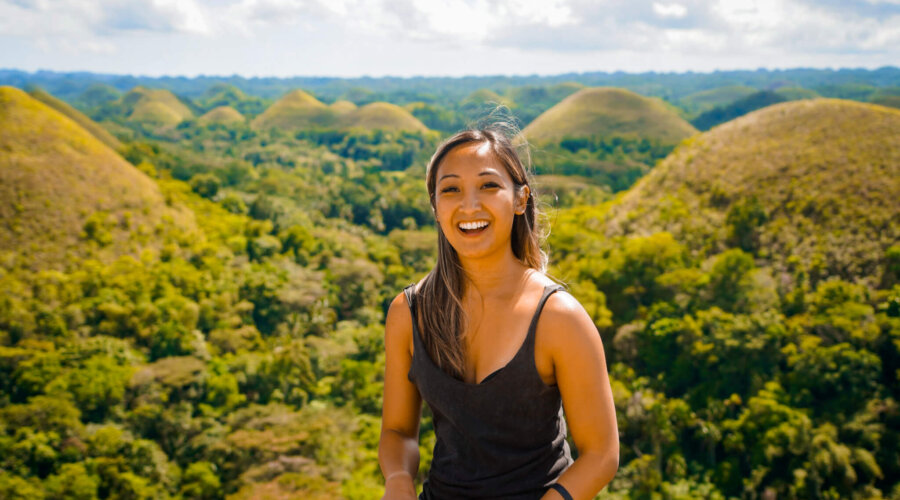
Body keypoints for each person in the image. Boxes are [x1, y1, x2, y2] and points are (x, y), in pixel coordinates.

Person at [378, 125, 618, 500]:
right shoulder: (409, 312)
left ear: (520, 199)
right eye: (451, 189)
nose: (470, 206)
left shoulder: (558, 318)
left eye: (489, 186)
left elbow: (602, 454)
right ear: (436, 208)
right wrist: (397, 480)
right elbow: (397, 432)